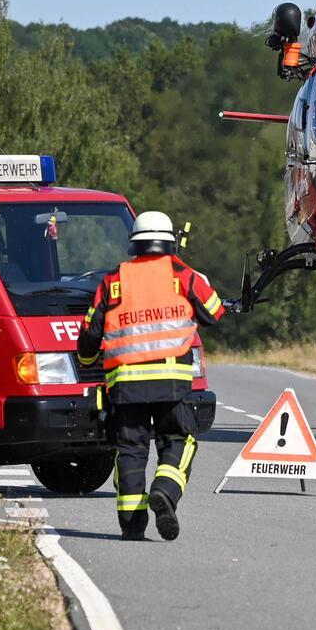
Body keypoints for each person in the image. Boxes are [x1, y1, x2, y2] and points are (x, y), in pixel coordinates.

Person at [76, 210, 227, 540]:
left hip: (125, 386)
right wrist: (196, 279)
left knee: (130, 450)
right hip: (172, 383)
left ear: (135, 245)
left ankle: (132, 524)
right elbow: (215, 312)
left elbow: (89, 335)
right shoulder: (183, 275)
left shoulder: (113, 281)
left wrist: (87, 358)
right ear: (170, 242)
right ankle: (165, 489)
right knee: (178, 440)